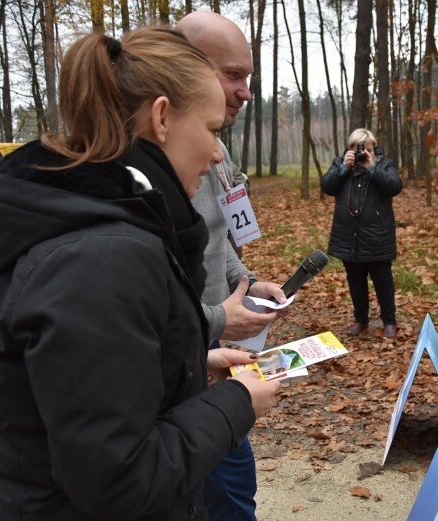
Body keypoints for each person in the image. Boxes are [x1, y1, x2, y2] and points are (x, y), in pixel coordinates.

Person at [0, 27, 281, 520]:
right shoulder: (100, 258)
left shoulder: (105, 227)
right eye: (213, 131)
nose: (218, 154)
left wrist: (186, 365)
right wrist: (236, 402)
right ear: (163, 117)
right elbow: (120, 481)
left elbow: (104, 394)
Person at [176, 12, 289, 521]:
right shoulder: (164, 165)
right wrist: (218, 320)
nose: (246, 91)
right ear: (188, 69)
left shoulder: (217, 152)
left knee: (234, 487)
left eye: (248, 76)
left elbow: (223, 237)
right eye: (233, 75)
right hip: (176, 365)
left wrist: (245, 282)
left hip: (211, 357)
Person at [321, 128, 402, 338]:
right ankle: (360, 320)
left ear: (373, 149)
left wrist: (372, 168)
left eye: (366, 148)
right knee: (355, 280)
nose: (362, 153)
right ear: (349, 149)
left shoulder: (384, 164)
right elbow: (326, 186)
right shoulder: (340, 165)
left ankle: (389, 322)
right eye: (357, 148)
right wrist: (343, 169)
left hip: (377, 236)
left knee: (382, 279)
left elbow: (394, 186)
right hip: (349, 236)